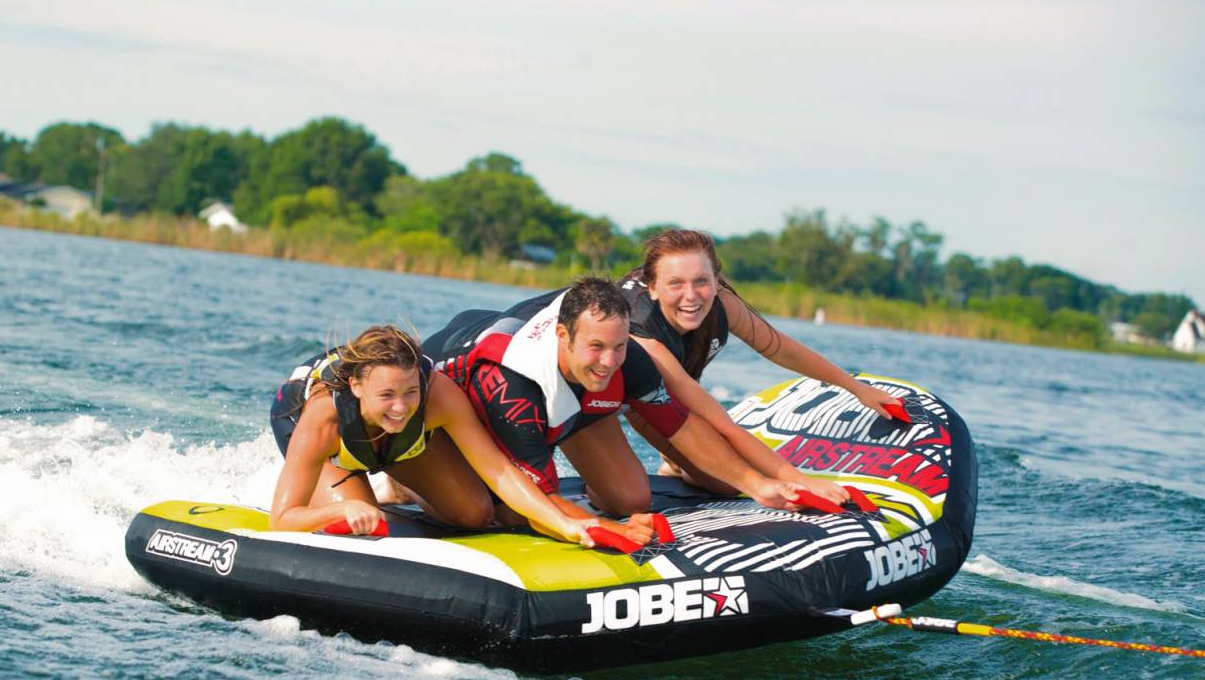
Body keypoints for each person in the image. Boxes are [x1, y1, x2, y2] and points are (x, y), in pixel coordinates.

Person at [423, 277, 805, 530]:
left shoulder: (627, 358)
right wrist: (612, 529)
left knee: (631, 498)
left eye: (618, 346)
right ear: (563, 336)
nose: (609, 361)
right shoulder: (513, 385)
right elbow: (538, 505)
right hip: (457, 398)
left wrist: (760, 486)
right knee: (484, 513)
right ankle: (407, 482)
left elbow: (681, 427)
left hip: (557, 387)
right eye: (597, 347)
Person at [269, 325, 612, 547]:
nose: (401, 408)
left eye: (410, 392)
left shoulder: (439, 395)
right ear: (357, 387)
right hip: (332, 447)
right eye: (387, 395)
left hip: (394, 443)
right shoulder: (320, 419)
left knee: (475, 514)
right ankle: (354, 489)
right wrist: (343, 510)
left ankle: (398, 484)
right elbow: (281, 520)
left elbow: (500, 473)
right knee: (364, 524)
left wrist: (564, 525)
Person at [619, 229, 897, 496]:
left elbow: (779, 348)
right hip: (623, 398)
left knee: (724, 480)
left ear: (717, 282)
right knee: (721, 483)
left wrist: (857, 388)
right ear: (654, 287)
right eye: (676, 283)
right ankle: (670, 457)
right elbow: (724, 424)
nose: (691, 296)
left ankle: (675, 462)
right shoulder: (642, 333)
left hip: (679, 377)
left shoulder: (722, 303)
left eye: (701, 281)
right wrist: (799, 481)